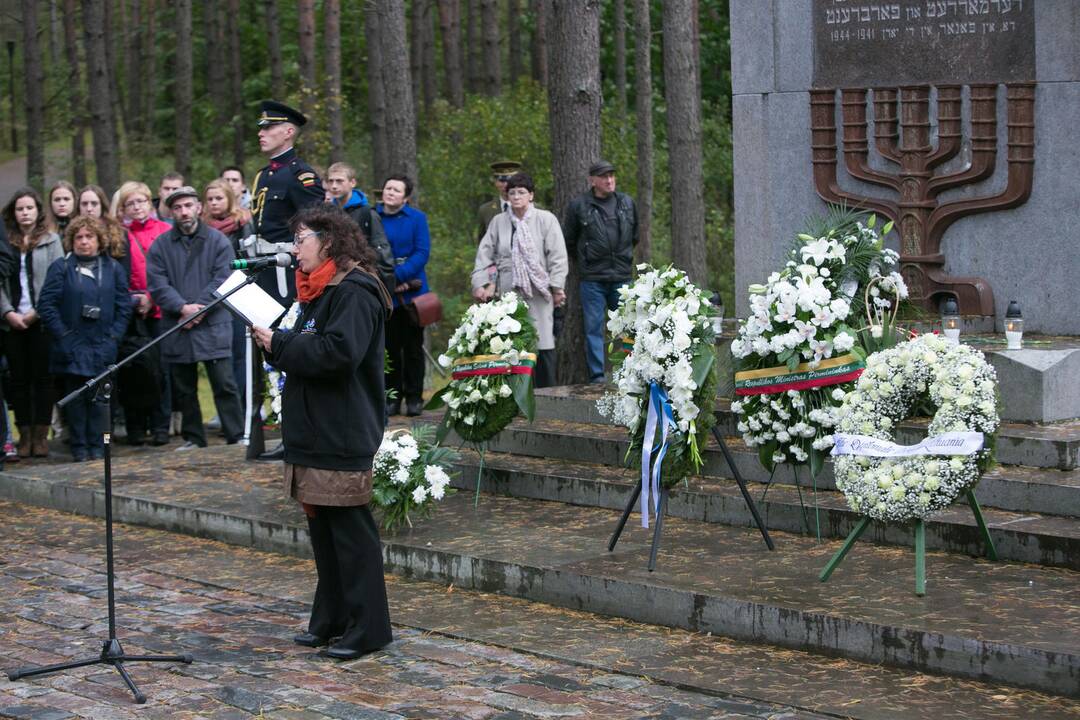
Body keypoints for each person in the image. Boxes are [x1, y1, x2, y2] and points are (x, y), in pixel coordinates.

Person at [252, 204, 393, 660]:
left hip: (342, 428)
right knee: (324, 533)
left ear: (327, 242)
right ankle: (332, 618)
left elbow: (339, 353)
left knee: (350, 534)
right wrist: (276, 343)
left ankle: (368, 628)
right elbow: (306, 343)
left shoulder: (355, 291)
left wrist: (282, 344)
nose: (294, 251)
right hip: (313, 429)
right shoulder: (315, 291)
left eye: (301, 240)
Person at [146, 186, 244, 450]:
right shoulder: (160, 246)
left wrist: (199, 308)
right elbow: (156, 283)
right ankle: (193, 438)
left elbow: (223, 278)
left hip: (213, 322)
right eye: (177, 208)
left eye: (188, 206)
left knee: (224, 384)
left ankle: (235, 435)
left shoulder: (217, 241)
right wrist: (181, 308)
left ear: (199, 207)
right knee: (184, 388)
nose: (183, 212)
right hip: (177, 324)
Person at [37, 217, 132, 461]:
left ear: (99, 240)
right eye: (79, 237)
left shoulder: (112, 268)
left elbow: (124, 306)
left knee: (101, 400)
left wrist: (114, 337)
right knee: (77, 400)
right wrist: (64, 337)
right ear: (71, 240)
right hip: (72, 344)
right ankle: (79, 447)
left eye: (89, 237)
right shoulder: (62, 267)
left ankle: (100, 447)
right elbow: (47, 306)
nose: (84, 242)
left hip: (103, 343)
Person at [472, 172, 567, 388]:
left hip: (540, 291)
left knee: (543, 342)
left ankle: (546, 394)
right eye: (512, 193)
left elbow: (558, 257)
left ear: (531, 195)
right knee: (510, 343)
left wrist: (557, 286)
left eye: (521, 192)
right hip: (508, 291)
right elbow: (484, 255)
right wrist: (480, 283)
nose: (516, 197)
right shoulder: (498, 222)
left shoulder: (545, 219)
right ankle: (515, 396)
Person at [561, 159, 639, 384]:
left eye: (612, 175)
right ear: (592, 180)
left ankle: (628, 373)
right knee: (593, 329)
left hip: (622, 276)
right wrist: (587, 259)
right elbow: (570, 240)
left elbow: (635, 236)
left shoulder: (626, 203)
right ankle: (597, 377)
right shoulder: (579, 206)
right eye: (604, 176)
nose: (609, 180)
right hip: (592, 279)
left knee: (627, 326)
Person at [0, 188, 64, 457]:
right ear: (13, 213)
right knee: (18, 379)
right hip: (10, 321)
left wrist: (37, 312)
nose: (25, 213)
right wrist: (7, 312)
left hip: (42, 320)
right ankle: (23, 435)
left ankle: (40, 435)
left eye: (29, 208)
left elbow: (58, 279)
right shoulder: (5, 242)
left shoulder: (51, 241)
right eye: (19, 208)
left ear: (38, 211)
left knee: (43, 378)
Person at [249, 100, 325, 307]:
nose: (260, 133)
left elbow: (318, 227)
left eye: (268, 127)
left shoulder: (300, 175)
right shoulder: (263, 176)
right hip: (262, 268)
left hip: (288, 271)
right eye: (261, 128)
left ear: (288, 132)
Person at [377, 175, 430, 416]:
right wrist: (386, 280)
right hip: (383, 292)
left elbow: (421, 252)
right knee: (389, 348)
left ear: (405, 196)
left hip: (412, 293)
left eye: (396, 190)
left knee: (413, 348)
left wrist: (399, 277)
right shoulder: (372, 216)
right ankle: (392, 397)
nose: (390, 192)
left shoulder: (417, 219)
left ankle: (414, 397)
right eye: (388, 188)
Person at [201, 179, 256, 411]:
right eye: (210, 199)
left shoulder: (243, 222)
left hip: (238, 294)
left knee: (240, 355)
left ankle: (245, 406)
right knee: (220, 357)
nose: (214, 203)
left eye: (219, 198)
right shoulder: (202, 227)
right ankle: (227, 412)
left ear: (229, 199)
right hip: (212, 296)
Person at [325, 161, 395, 293]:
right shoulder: (327, 212)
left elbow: (382, 252)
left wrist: (382, 287)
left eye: (339, 181)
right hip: (332, 280)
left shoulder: (367, 213)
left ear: (352, 183)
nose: (334, 186)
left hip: (361, 281)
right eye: (331, 181)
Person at [476, 160, 521, 243]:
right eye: (502, 181)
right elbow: (482, 242)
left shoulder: (533, 208)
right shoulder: (486, 210)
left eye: (509, 181)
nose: (506, 185)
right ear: (495, 182)